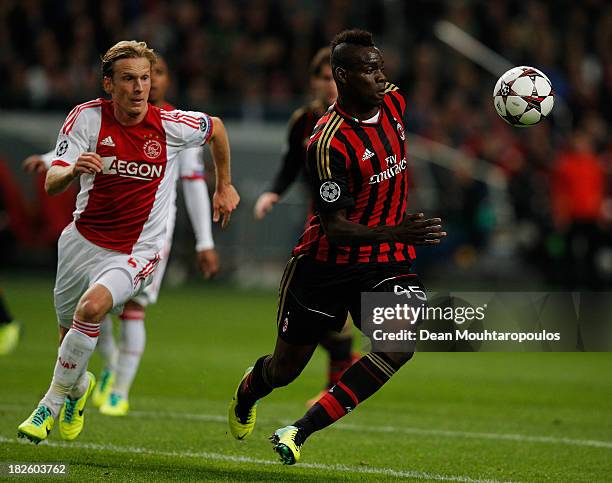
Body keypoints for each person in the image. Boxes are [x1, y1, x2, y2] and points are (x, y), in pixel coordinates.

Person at [227, 29, 446, 465]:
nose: (381, 75)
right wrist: (397, 231)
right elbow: (336, 228)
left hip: (384, 262)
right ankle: (248, 391)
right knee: (284, 370)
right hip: (325, 265)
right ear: (342, 76)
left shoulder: (396, 104)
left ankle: (298, 430)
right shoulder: (328, 143)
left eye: (381, 65)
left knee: (399, 344)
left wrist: (393, 238)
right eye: (369, 69)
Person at [17, 40, 239, 444]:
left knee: (93, 307)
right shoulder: (85, 119)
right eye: (128, 79)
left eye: (144, 78)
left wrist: (223, 185)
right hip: (81, 243)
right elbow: (51, 182)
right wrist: (70, 172)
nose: (139, 88)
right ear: (109, 84)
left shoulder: (170, 125)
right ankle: (77, 389)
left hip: (138, 251)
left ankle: (49, 404)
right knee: (67, 333)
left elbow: (217, 128)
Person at [253, 48, 357, 407]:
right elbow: (290, 164)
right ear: (314, 81)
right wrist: (272, 193)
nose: (330, 84)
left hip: (354, 222)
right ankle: (342, 377)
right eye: (324, 77)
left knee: (327, 306)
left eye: (335, 77)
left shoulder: (357, 118)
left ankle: (339, 384)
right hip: (319, 223)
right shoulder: (305, 120)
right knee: (315, 310)